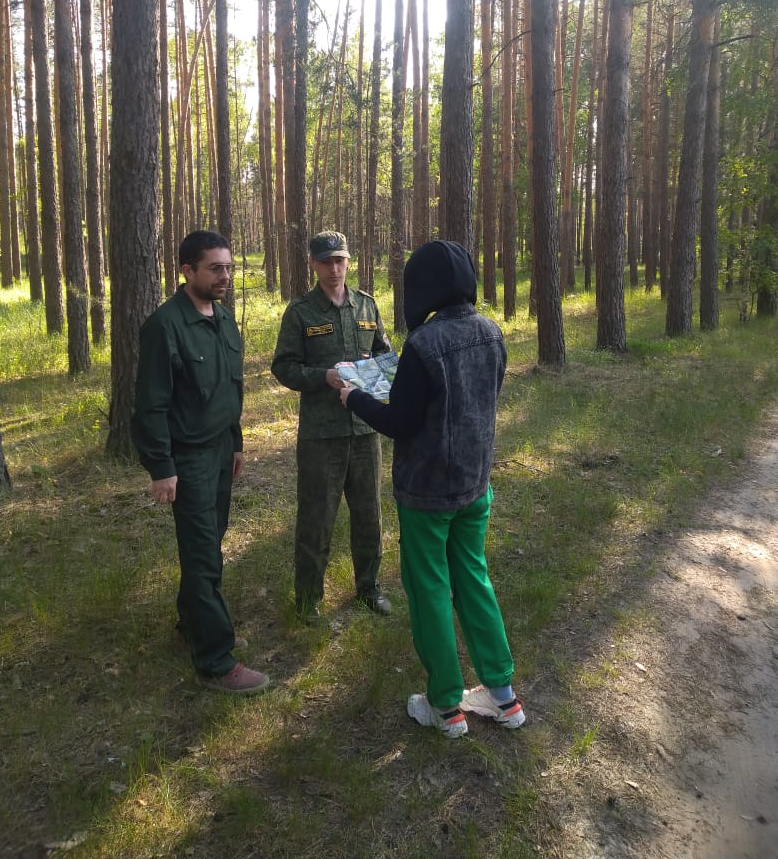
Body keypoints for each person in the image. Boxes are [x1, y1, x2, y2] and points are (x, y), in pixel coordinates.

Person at [339, 239, 525, 737]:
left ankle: (445, 705)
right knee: (474, 580)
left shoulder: (424, 344)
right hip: (474, 482)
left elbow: (399, 422)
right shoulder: (491, 332)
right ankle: (504, 698)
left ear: (421, 289)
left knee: (430, 591)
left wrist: (352, 395)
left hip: (427, 491)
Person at [131, 230, 269, 695]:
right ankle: (215, 660)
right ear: (187, 270)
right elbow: (151, 404)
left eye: (229, 267)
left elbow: (230, 390)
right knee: (203, 554)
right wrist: (161, 467)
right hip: (186, 460)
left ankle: (191, 623)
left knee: (209, 543)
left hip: (219, 452)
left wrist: (236, 442)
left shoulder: (224, 319)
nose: (225, 276)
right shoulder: (165, 326)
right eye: (215, 268)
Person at [271, 231, 392, 622]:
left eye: (339, 260)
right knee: (316, 518)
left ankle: (369, 589)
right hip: (321, 434)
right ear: (313, 264)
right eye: (326, 262)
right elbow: (283, 367)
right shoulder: (301, 312)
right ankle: (308, 599)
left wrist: (371, 366)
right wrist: (322, 376)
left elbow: (384, 354)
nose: (334, 269)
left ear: (348, 261)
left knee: (369, 515)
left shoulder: (366, 305)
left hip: (364, 429)